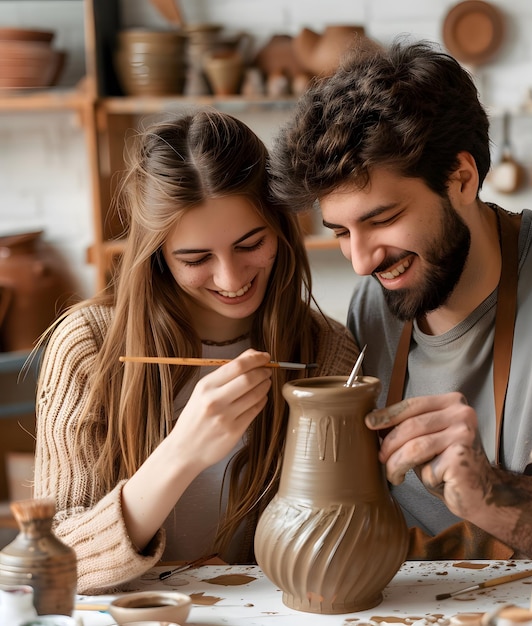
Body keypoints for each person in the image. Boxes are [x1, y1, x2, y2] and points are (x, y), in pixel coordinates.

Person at [269, 40, 532, 568]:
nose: (362, 262)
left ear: (462, 178)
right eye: (341, 232)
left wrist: (489, 491)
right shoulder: (375, 302)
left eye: (382, 219)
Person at [33, 109, 360, 594]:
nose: (231, 279)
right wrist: (182, 451)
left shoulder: (327, 352)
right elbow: (49, 566)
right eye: (196, 258)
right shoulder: (89, 347)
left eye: (250, 244)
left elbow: (346, 540)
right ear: (158, 256)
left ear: (281, 230)